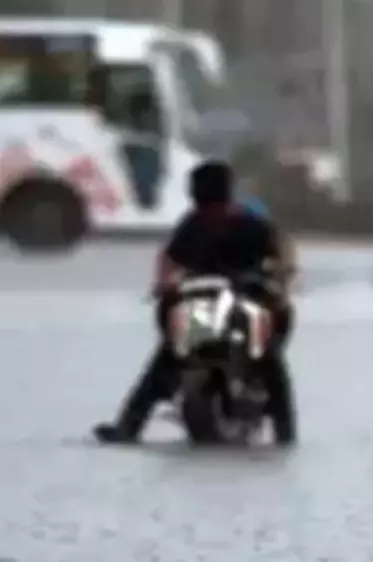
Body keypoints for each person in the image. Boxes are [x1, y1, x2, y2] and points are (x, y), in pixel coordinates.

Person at [92, 160, 297, 445]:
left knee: (269, 358)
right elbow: (169, 258)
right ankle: (128, 427)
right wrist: (164, 282)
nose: (210, 213)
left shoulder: (254, 226)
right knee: (168, 356)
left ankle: (286, 432)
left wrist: (278, 282)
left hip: (247, 304)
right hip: (204, 307)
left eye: (215, 206)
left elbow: (283, 256)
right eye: (204, 205)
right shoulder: (193, 225)